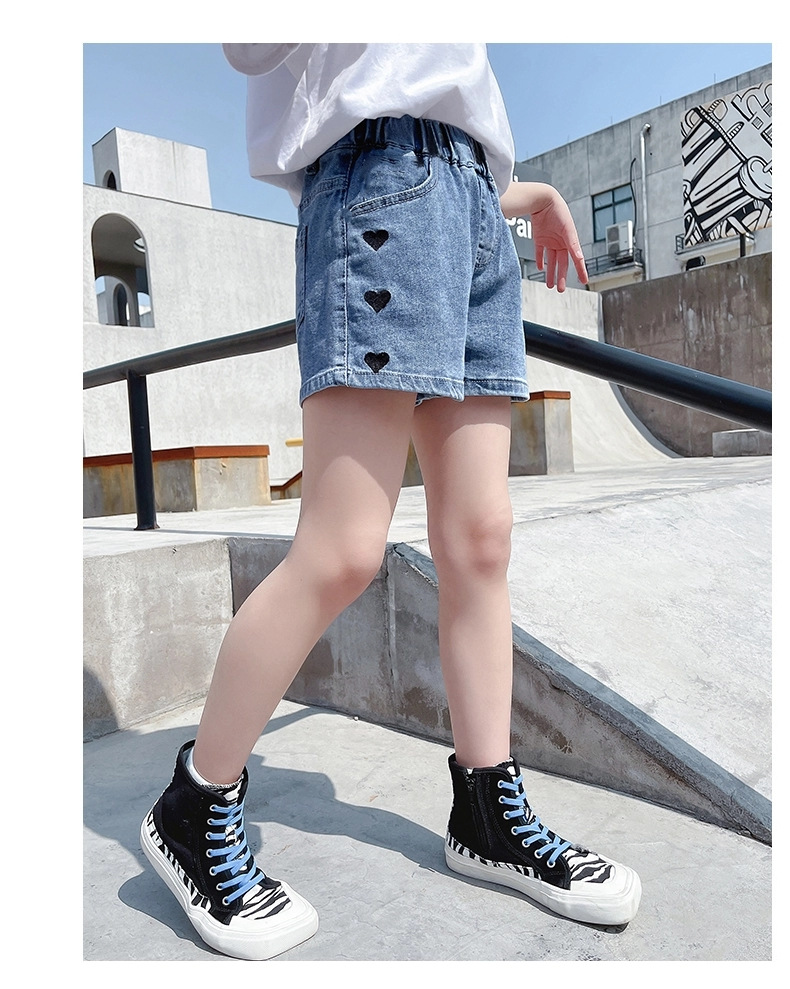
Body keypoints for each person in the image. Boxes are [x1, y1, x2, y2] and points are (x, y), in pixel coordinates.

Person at [140, 43, 642, 961]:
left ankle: (486, 810)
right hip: (379, 186)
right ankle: (193, 802)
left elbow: (441, 75)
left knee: (481, 539)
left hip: (478, 210)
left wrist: (518, 193)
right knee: (342, 549)